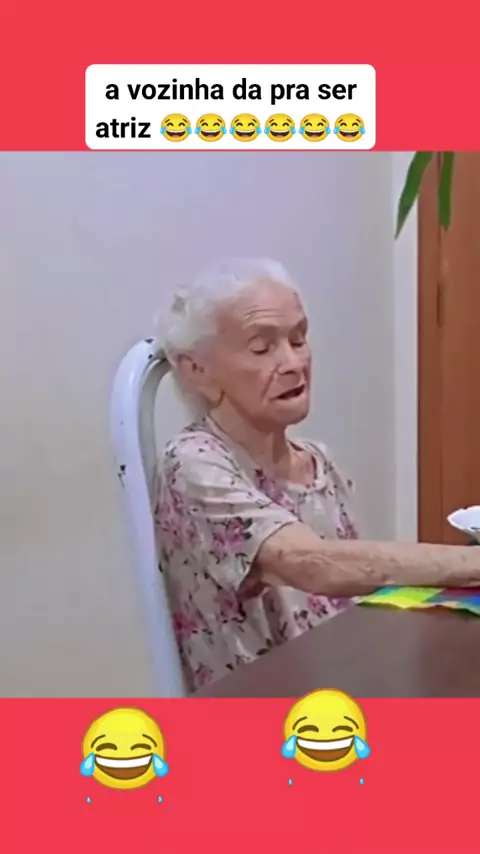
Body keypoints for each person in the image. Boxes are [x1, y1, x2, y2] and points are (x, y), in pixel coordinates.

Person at [154, 258, 480, 692]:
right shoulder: (193, 463)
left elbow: (354, 600)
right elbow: (312, 565)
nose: (294, 362)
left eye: (299, 339)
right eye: (262, 348)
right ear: (197, 371)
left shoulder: (318, 462)